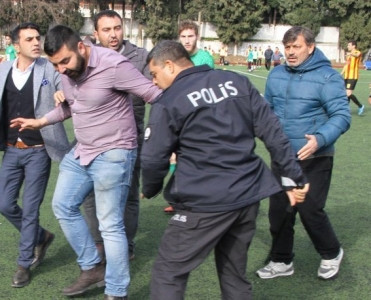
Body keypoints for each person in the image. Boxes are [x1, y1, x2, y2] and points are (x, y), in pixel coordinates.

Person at [141, 40, 309, 300]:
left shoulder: (168, 101)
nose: (153, 81)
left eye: (154, 74)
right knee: (233, 274)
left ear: (170, 66)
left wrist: (150, 188)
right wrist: (294, 177)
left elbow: (153, 158)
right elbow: (272, 131)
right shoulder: (236, 82)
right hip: (247, 195)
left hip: (204, 202)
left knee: (168, 273)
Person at [11, 25, 161, 300]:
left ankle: (116, 292)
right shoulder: (67, 70)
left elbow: (154, 95)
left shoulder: (113, 64)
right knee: (62, 204)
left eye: (65, 61)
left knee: (109, 224)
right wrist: (41, 120)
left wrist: (169, 138)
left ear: (81, 47)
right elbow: (73, 103)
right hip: (82, 150)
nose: (61, 70)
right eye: (56, 65)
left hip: (114, 152)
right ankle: (92, 267)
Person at [256, 26, 351, 281]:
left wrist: (320, 139)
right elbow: (268, 110)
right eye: (287, 47)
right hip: (283, 157)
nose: (290, 52)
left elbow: (342, 116)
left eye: (296, 47)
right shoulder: (276, 74)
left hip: (315, 158)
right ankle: (281, 261)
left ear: (310, 47)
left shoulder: (328, 77)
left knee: (309, 209)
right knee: (279, 213)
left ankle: (332, 253)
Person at [0, 23, 70, 288]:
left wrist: (63, 94)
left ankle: (23, 263)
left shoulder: (48, 69)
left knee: (30, 209)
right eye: (29, 39)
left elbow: (63, 84)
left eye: (37, 38)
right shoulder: (3, 69)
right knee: (4, 204)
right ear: (16, 45)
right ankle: (42, 237)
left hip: (39, 150)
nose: (36, 42)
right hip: (11, 149)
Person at [81, 9, 151, 261]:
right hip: (94, 138)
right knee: (89, 193)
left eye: (117, 28)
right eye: (107, 30)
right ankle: (99, 244)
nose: (113, 34)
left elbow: (155, 92)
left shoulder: (140, 57)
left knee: (129, 195)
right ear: (96, 33)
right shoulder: (85, 56)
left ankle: (127, 244)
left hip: (131, 137)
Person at [163, 20, 215, 214]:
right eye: (183, 36)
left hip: (199, 117)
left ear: (197, 37)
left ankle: (201, 201)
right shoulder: (174, 58)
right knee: (176, 156)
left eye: (190, 36)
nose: (186, 40)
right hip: (179, 115)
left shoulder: (205, 58)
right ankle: (178, 201)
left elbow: (207, 88)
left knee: (198, 159)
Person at [341, 40, 364, 115]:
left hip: (353, 76)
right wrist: (341, 73)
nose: (348, 46)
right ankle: (346, 109)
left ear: (354, 46)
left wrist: (350, 54)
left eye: (349, 45)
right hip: (346, 76)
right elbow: (346, 65)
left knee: (348, 93)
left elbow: (357, 55)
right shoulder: (349, 55)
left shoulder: (358, 52)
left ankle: (360, 106)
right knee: (345, 93)